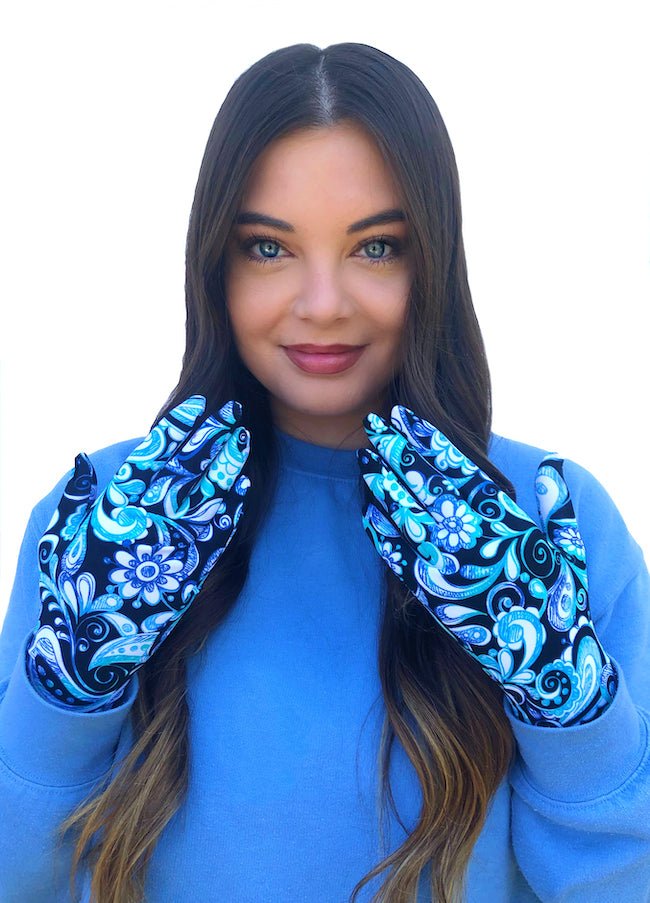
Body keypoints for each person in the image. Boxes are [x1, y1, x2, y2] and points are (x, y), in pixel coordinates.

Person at [0, 41, 648, 903]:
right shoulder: (111, 522)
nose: (322, 303)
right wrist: (67, 693)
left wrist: (570, 706)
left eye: (375, 247)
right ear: (215, 264)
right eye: (268, 249)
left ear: (434, 259)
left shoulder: (544, 522)